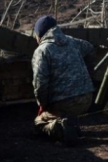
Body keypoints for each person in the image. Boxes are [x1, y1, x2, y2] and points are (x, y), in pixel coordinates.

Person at [32, 15, 95, 146]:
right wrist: (88, 73)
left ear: (40, 33)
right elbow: (90, 48)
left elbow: (40, 84)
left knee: (39, 122)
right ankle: (69, 123)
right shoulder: (73, 42)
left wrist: (43, 104)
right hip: (87, 98)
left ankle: (61, 129)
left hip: (64, 103)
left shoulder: (42, 50)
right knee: (67, 113)